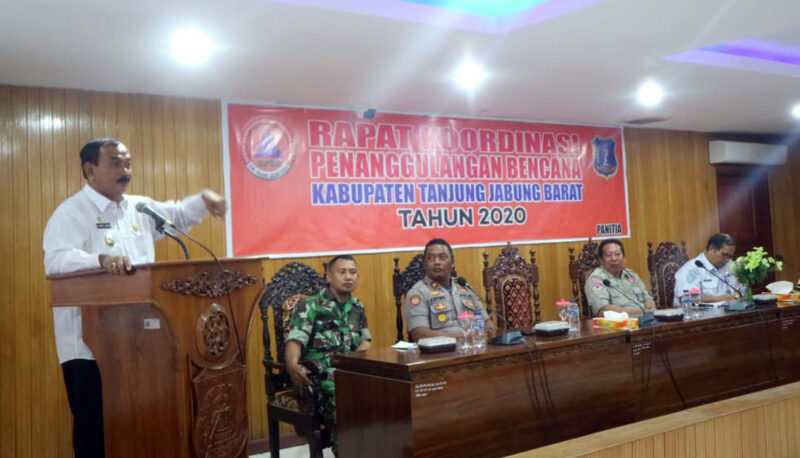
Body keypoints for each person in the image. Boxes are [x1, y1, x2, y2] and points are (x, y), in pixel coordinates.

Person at [42, 138, 227, 458]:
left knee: (138, 422)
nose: (125, 171)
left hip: (140, 343)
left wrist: (203, 199)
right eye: (115, 163)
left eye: (127, 163)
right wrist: (99, 260)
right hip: (89, 348)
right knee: (95, 427)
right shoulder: (71, 213)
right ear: (90, 169)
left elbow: (178, 216)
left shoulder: (139, 208)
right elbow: (55, 261)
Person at [285, 255, 371, 455]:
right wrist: (291, 365)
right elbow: (295, 341)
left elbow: (366, 340)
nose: (348, 277)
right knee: (341, 392)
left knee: (385, 390)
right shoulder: (311, 305)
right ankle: (345, 451)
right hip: (320, 372)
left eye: (352, 272)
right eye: (342, 272)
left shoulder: (357, 306)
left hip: (349, 369)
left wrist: (355, 363)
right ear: (329, 276)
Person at [403, 238, 493, 341]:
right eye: (430, 258)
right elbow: (420, 334)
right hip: (441, 353)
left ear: (452, 262)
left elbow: (487, 324)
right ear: (424, 263)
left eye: (442, 257)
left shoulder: (465, 288)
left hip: (474, 348)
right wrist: (464, 337)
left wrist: (479, 336)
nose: (436, 262)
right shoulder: (418, 293)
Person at [584, 239, 656, 316]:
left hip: (646, 320)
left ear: (624, 258)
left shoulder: (631, 275)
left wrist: (651, 311)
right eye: (609, 255)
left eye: (617, 254)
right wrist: (642, 312)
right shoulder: (596, 279)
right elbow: (604, 310)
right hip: (619, 324)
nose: (614, 259)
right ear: (601, 260)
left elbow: (648, 299)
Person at [673, 233, 742, 305]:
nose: (727, 259)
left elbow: (740, 290)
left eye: (730, 256)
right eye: (724, 255)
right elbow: (688, 298)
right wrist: (724, 298)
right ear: (711, 248)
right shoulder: (690, 269)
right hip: (700, 314)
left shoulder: (730, 266)